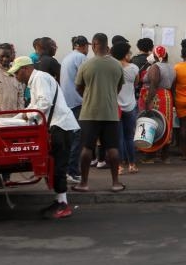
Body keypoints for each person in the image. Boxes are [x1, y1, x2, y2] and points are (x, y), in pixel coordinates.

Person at [7, 56, 79, 219]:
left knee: (59, 166)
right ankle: (59, 200)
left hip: (61, 126)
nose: (16, 77)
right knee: (55, 166)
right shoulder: (36, 81)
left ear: (25, 69)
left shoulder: (39, 78)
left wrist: (28, 117)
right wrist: (17, 118)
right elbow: (35, 105)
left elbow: (44, 103)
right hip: (57, 126)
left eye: (17, 73)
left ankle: (63, 205)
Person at [74, 33, 125, 192]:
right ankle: (116, 183)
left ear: (95, 44)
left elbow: (78, 87)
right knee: (112, 148)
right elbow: (118, 87)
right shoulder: (117, 65)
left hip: (89, 113)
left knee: (87, 148)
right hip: (110, 113)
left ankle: (83, 183)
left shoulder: (86, 65)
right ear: (106, 45)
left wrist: (89, 96)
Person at [59, 35, 89, 184]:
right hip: (78, 102)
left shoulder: (67, 58)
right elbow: (87, 79)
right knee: (78, 138)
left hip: (68, 102)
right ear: (83, 46)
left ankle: (68, 170)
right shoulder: (81, 58)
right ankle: (72, 171)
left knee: (72, 138)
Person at [142, 45, 176, 163]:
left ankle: (150, 155)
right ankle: (165, 156)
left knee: (151, 123)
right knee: (166, 124)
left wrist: (148, 101)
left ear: (155, 56)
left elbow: (154, 84)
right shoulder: (172, 68)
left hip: (155, 97)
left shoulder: (155, 67)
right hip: (167, 97)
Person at [112, 41, 140, 174]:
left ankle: (119, 166)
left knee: (118, 137)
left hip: (115, 106)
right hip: (130, 105)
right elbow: (136, 83)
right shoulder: (134, 68)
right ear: (125, 54)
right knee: (129, 137)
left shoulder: (111, 68)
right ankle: (132, 164)